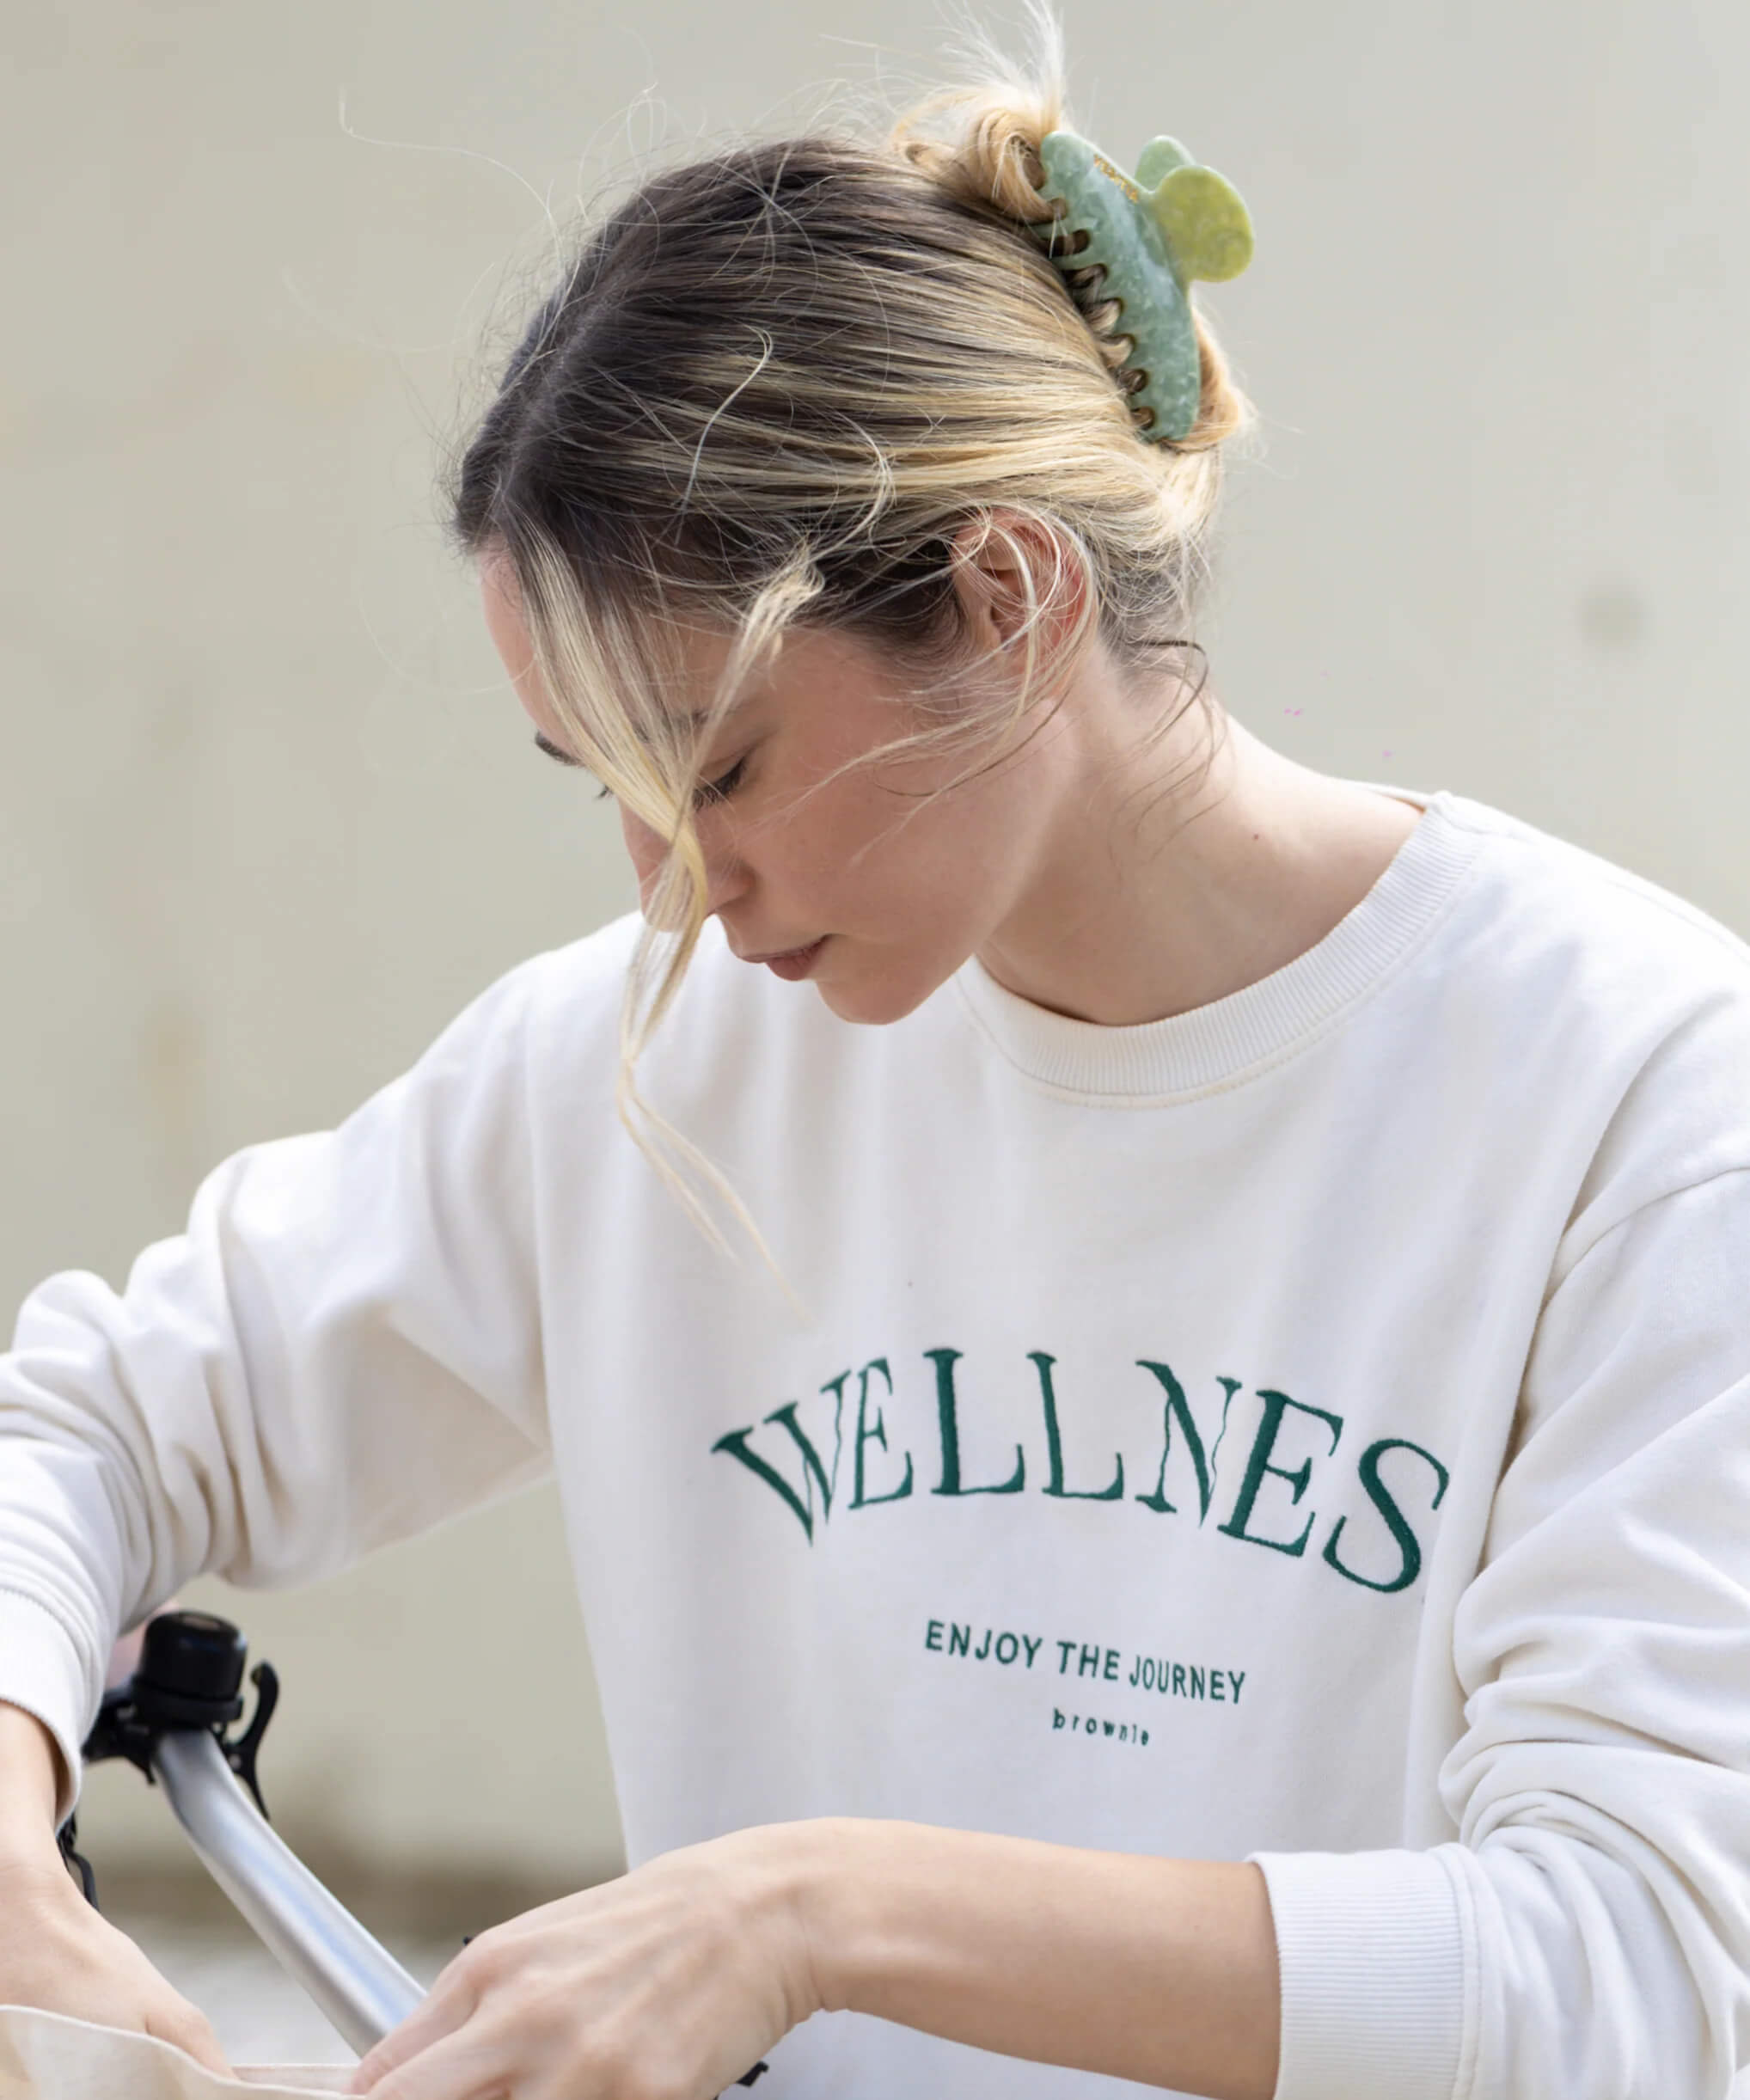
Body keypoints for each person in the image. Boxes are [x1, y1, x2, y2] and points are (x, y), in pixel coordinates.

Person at [3, 21, 1750, 2100]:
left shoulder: (1634, 1096)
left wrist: (803, 1911)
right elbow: (92, 1419)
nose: (669, 888)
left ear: (1011, 604)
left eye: (719, 766)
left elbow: (1639, 1977)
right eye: (608, 787)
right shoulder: (649, 1069)